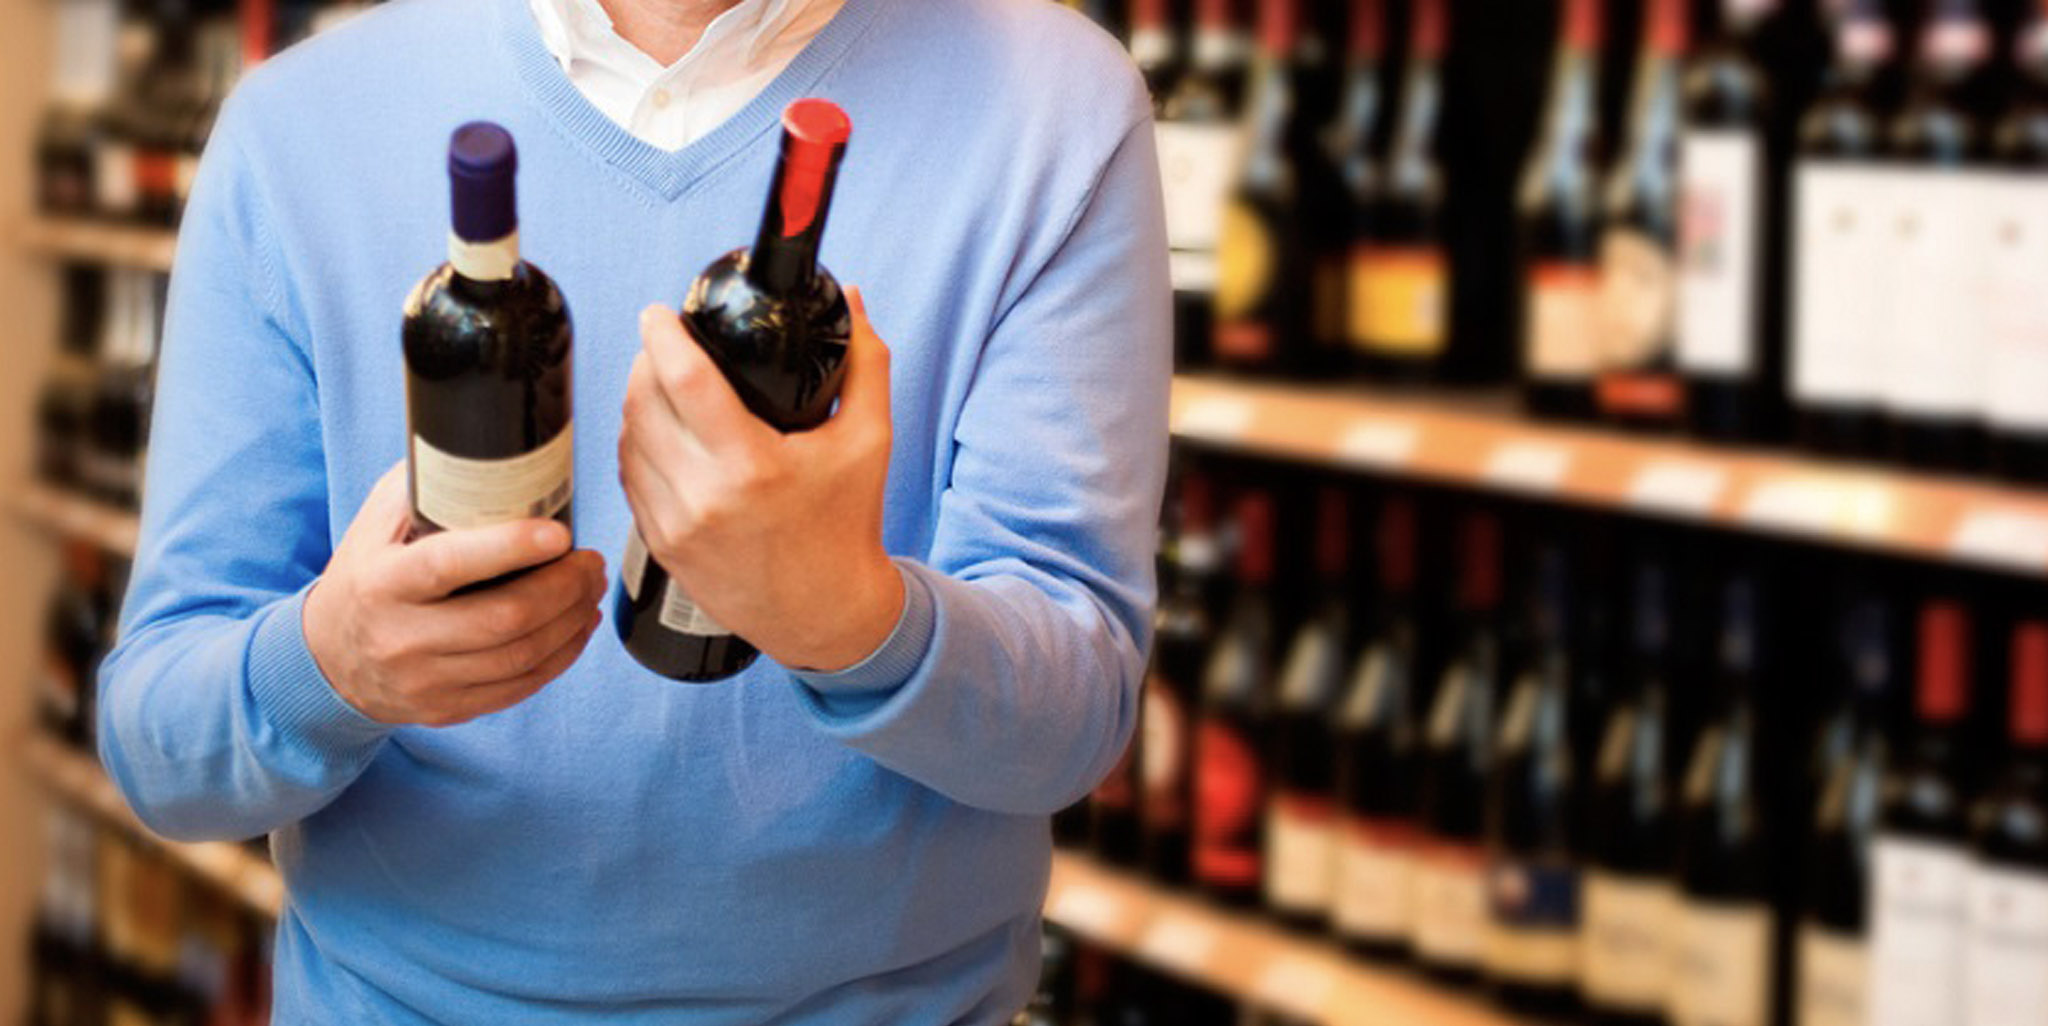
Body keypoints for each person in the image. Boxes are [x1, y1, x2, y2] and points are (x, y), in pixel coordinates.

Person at [95, 0, 1170, 1020]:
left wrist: (851, 618)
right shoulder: (297, 128)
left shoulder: (1052, 108)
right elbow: (161, 747)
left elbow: (1070, 728)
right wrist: (333, 665)